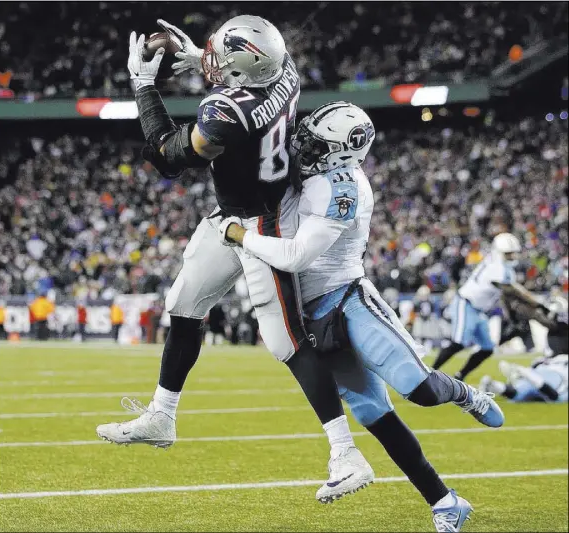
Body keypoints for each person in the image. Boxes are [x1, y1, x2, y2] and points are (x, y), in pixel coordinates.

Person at [97, 16, 372, 501]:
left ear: (241, 71)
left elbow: (170, 155)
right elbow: (247, 84)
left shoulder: (224, 113)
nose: (214, 62)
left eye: (222, 58)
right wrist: (197, 62)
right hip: (232, 211)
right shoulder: (288, 71)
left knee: (286, 341)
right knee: (183, 304)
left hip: (260, 221)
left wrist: (143, 85)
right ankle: (162, 415)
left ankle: (346, 452)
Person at [220, 102, 504, 530]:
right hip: (314, 315)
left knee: (420, 390)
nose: (303, 146)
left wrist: (239, 235)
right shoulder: (309, 171)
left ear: (343, 152)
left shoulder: (341, 186)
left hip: (348, 299)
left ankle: (464, 393)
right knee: (374, 416)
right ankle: (446, 502)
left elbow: (297, 256)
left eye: (316, 144)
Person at [431, 233, 548, 380]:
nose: (512, 256)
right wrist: (538, 304)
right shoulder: (497, 267)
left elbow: (504, 296)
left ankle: (460, 376)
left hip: (478, 310)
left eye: (513, 253)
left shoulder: (502, 268)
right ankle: (427, 374)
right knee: (459, 343)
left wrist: (511, 317)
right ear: (499, 252)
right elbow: (513, 291)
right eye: (508, 253)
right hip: (466, 303)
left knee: (488, 348)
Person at [480, 354, 568, 403]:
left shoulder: (559, 356)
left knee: (518, 394)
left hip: (539, 371)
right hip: (558, 377)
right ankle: (523, 373)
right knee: (557, 397)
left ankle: (493, 384)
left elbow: (537, 362)